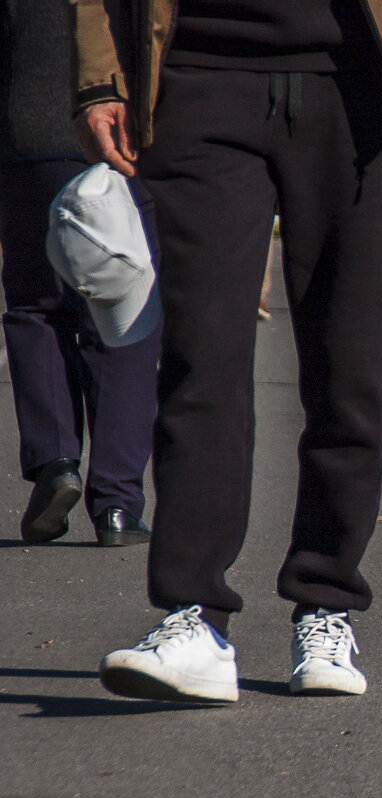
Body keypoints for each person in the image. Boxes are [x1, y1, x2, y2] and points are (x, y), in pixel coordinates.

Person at [71, 0, 382, 702]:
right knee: (200, 360)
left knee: (351, 372)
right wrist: (100, 76)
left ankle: (326, 603)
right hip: (196, 74)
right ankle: (193, 618)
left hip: (367, 82)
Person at [1, 0, 157, 547]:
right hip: (119, 134)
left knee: (34, 305)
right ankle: (116, 504)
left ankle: (53, 463)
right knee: (120, 318)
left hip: (28, 133)